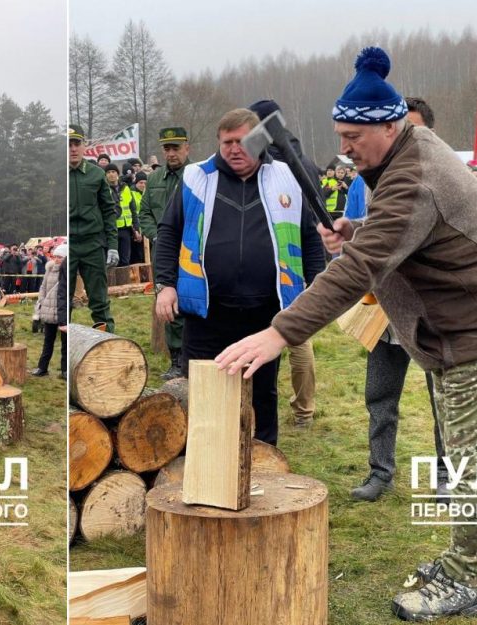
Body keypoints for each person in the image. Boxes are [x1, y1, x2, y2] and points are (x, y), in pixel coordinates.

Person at [215, 46, 477, 621]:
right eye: (338, 135)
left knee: (466, 457)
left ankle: (465, 576)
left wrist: (278, 334)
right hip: (464, 322)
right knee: (472, 452)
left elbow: (358, 270)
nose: (343, 148)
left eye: (351, 137)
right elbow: (408, 229)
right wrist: (358, 228)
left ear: (389, 126)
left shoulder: (415, 176)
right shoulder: (408, 153)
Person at [154, 108, 324, 445]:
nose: (234, 148)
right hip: (207, 310)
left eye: (242, 141)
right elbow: (168, 232)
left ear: (258, 140)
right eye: (227, 142)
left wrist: (317, 286)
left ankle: (263, 456)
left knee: (262, 391)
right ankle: (204, 457)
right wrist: (165, 284)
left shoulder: (287, 177)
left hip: (266, 310)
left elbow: (310, 236)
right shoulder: (195, 177)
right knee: (203, 389)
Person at [340, 95, 447, 502]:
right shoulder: (362, 182)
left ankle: (446, 475)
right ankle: (380, 473)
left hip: (430, 311)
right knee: (380, 395)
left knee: (443, 401)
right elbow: (355, 241)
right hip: (382, 309)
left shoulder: (443, 179)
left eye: (414, 131)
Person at [247, 99, 325, 429]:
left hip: (276, 255)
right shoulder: (305, 160)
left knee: (275, 334)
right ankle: (304, 411)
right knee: (298, 334)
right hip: (304, 255)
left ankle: (262, 408)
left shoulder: (271, 163)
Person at [139, 127, 191, 379]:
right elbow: (145, 212)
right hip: (164, 251)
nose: (171, 154)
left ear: (186, 148)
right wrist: (158, 235)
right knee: (168, 303)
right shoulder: (154, 179)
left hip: (192, 250)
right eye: (167, 149)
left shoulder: (197, 175)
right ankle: (176, 359)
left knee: (191, 300)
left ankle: (195, 354)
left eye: (176, 148)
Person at [68, 124, 117, 331]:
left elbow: (108, 211)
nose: (72, 148)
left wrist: (113, 245)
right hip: (68, 247)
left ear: (84, 146)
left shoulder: (97, 175)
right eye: (68, 144)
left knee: (99, 301)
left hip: (92, 245)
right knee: (63, 302)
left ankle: (108, 345)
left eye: (76, 143)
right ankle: (65, 356)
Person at [30, 243, 67, 378]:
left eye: (60, 257)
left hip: (62, 310)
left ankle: (65, 370)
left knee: (65, 343)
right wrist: (40, 303)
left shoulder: (67, 272)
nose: (56, 259)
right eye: (55, 256)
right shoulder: (49, 270)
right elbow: (43, 288)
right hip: (48, 310)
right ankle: (42, 367)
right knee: (48, 341)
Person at [104, 163, 140, 267]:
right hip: (111, 230)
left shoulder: (126, 188)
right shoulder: (104, 189)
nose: (111, 174)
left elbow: (133, 210)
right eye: (108, 172)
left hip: (125, 229)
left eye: (113, 172)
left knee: (125, 261)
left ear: (118, 174)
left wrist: (136, 228)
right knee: (112, 261)